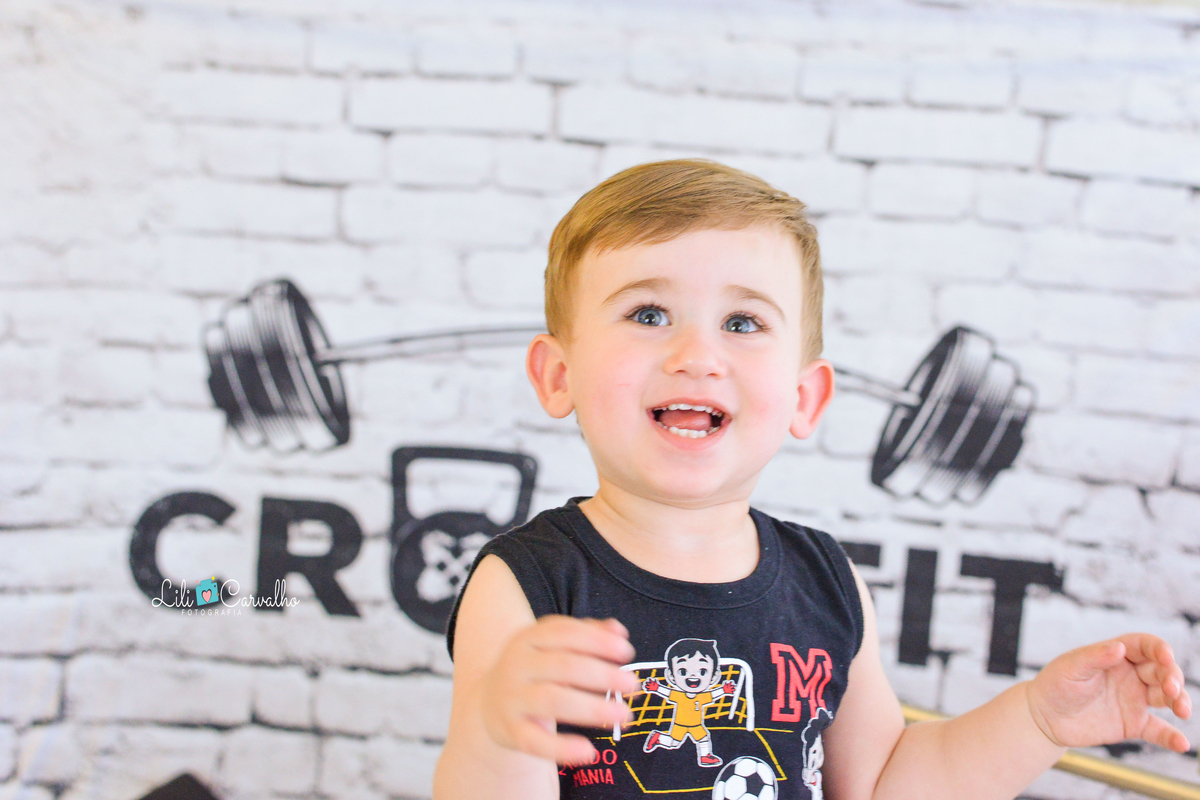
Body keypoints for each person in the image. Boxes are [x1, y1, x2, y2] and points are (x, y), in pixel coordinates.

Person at [433, 160, 1191, 799]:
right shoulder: (527, 585)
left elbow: (885, 785)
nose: (697, 355)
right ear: (558, 375)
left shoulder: (826, 580)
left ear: (804, 398)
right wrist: (499, 733)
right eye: (648, 313)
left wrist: (1038, 722)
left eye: (742, 323)